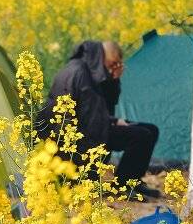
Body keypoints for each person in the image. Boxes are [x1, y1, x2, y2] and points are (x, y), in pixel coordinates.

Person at [33, 39, 160, 195]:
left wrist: (114, 79)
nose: (113, 68)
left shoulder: (90, 69)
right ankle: (124, 185)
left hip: (92, 124)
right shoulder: (79, 72)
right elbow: (86, 118)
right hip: (78, 135)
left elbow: (104, 105)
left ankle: (133, 181)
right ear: (106, 57)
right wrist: (112, 124)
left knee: (151, 129)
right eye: (113, 64)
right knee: (142, 136)